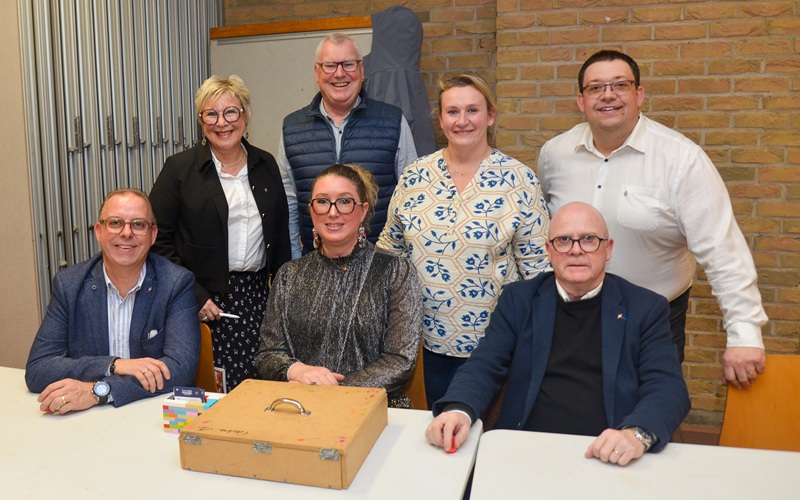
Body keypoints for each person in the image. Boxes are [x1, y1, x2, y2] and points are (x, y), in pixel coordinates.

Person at [538, 50, 768, 389]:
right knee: (573, 405)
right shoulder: (554, 154)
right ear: (581, 101)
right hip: (572, 316)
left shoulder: (681, 159)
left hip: (652, 321)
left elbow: (722, 250)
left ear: (639, 94)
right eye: (595, 87)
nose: (608, 95)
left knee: (651, 408)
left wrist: (744, 333)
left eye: (620, 85)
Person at [425, 202, 690, 467]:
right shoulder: (519, 300)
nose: (576, 250)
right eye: (563, 240)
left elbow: (667, 387)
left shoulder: (645, 308)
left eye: (589, 239)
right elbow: (484, 365)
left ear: (608, 249)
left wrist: (637, 434)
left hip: (607, 452)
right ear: (549, 251)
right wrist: (459, 409)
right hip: (525, 448)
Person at [378, 73, 550, 406]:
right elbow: (390, 253)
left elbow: (539, 271)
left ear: (491, 116)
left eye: (472, 110)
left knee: (486, 432)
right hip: (420, 345)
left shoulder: (519, 181)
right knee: (430, 430)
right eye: (453, 112)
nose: (462, 121)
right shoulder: (415, 176)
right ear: (440, 119)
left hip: (495, 347)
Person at [149, 75, 291, 393]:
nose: (222, 122)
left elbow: (281, 239)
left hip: (257, 299)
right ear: (201, 121)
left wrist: (282, 301)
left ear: (246, 115)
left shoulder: (266, 164)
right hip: (202, 302)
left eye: (231, 112)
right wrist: (193, 294)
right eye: (211, 114)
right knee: (217, 390)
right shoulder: (179, 169)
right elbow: (156, 239)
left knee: (262, 386)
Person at [255, 164, 422, 407]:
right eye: (322, 202)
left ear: (363, 210)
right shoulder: (289, 276)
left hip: (374, 410)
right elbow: (267, 355)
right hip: (301, 408)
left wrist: (332, 390)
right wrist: (296, 370)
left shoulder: (396, 271)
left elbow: (400, 360)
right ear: (311, 210)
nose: (332, 212)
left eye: (345, 202)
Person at [25, 189, 200, 413]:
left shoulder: (176, 283)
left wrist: (99, 391)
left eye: (138, 224)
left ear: (153, 234)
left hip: (150, 414)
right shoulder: (69, 285)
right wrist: (114, 365)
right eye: (115, 223)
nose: (126, 233)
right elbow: (38, 369)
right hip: (87, 419)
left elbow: (180, 371)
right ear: (99, 231)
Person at [277, 32, 418, 258]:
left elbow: (412, 198)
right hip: (315, 265)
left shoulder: (393, 121)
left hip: (379, 264)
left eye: (348, 64)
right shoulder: (292, 128)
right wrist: (295, 263)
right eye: (330, 65)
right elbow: (289, 205)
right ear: (317, 72)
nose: (340, 73)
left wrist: (397, 263)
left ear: (361, 70)